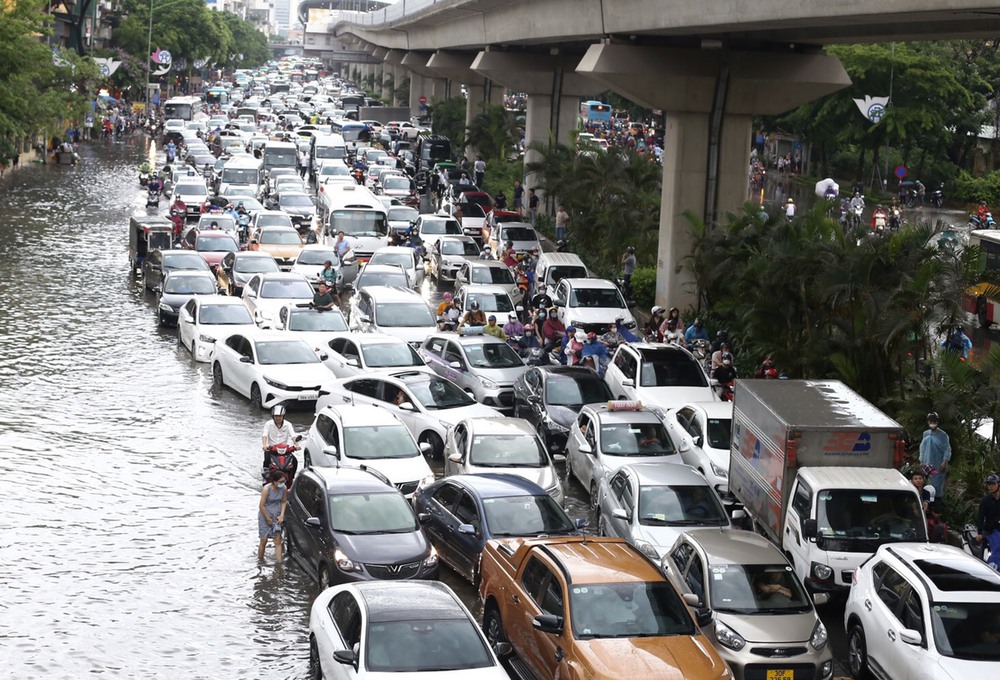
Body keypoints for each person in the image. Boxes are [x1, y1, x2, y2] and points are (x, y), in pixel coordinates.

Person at [919, 412, 951, 499]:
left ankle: (937, 505)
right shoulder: (925, 433)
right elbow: (922, 448)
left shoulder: (943, 435)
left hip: (938, 464)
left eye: (934, 421)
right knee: (926, 482)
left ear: (937, 422)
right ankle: (926, 502)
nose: (932, 423)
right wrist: (921, 461)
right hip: (926, 463)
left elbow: (947, 449)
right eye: (931, 421)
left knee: (937, 484)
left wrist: (945, 461)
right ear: (928, 422)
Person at [257, 470, 287, 562]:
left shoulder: (284, 488)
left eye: (284, 482)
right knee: (264, 540)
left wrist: (282, 515)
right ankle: (260, 560)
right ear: (274, 481)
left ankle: (279, 563)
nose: (282, 484)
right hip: (265, 515)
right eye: (280, 482)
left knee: (277, 540)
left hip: (276, 515)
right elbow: (261, 505)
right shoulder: (267, 489)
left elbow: (283, 501)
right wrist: (267, 518)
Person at [911, 468, 947, 543]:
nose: (918, 480)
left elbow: (925, 505)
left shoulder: (926, 493)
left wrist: (921, 510)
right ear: (912, 480)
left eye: (920, 478)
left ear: (923, 480)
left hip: (922, 518)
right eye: (916, 479)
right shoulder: (910, 492)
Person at [261, 405, 297, 469]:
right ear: (273, 416)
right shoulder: (268, 424)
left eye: (280, 416)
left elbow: (293, 435)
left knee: (294, 461)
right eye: (276, 416)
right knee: (267, 460)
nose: (278, 418)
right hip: (271, 449)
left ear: (283, 416)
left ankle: (292, 477)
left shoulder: (288, 424)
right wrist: (264, 445)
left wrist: (296, 444)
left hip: (284, 450)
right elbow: (264, 435)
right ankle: (266, 474)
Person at [976, 474, 1000, 570]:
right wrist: (980, 533)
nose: (990, 486)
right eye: (989, 484)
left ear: (998, 484)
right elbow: (980, 517)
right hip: (989, 533)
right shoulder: (985, 500)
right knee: (981, 556)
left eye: (993, 484)